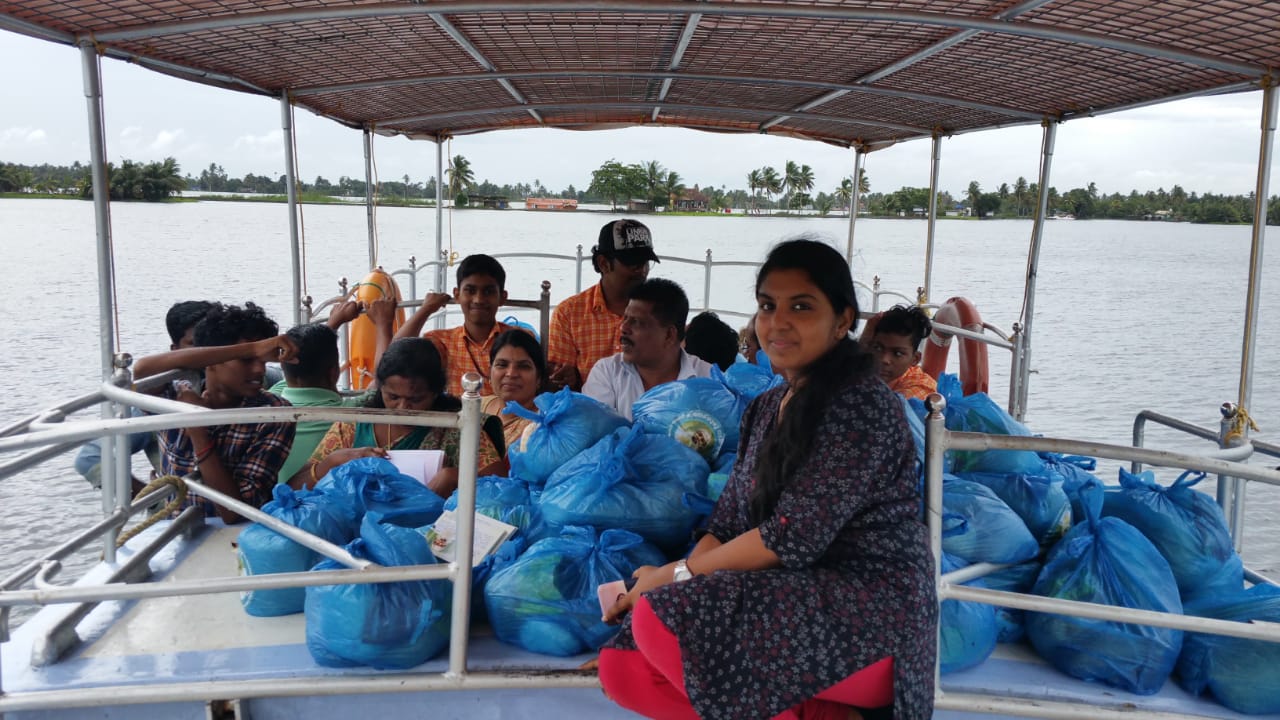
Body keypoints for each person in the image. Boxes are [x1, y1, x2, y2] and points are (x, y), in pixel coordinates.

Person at [598, 238, 937, 720]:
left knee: (662, 619)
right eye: (766, 305)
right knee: (623, 662)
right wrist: (667, 583)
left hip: (873, 614)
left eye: (801, 306)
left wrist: (669, 580)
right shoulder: (764, 408)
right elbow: (730, 522)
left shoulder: (862, 404)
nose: (778, 322)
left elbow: (791, 536)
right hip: (792, 598)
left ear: (843, 320)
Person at [143, 302, 298, 524]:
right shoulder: (175, 396)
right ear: (212, 362)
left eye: (262, 361)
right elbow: (141, 371)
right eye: (246, 361)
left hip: (233, 539)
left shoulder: (272, 415)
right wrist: (251, 348)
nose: (259, 370)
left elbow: (236, 511)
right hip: (177, 534)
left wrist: (199, 432)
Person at [291, 337, 504, 498]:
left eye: (416, 399)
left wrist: (457, 478)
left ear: (436, 392)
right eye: (392, 397)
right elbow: (294, 487)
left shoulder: (456, 429)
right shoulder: (354, 424)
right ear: (379, 387)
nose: (402, 408)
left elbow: (502, 487)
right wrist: (331, 462)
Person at [73, 300, 214, 491]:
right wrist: (150, 498)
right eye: (195, 345)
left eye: (214, 344)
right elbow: (90, 457)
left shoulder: (254, 381)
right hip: (185, 503)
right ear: (175, 350)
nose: (209, 353)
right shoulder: (165, 401)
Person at [547, 219, 658, 391]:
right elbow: (555, 385)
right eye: (632, 262)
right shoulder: (568, 314)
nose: (641, 270)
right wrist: (570, 379)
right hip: (586, 413)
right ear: (603, 264)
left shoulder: (660, 312)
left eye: (645, 262)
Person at [268, 302, 372, 484]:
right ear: (334, 372)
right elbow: (384, 380)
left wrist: (334, 322)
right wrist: (385, 323)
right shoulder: (350, 412)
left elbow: (302, 363)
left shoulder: (272, 398)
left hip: (270, 504)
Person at [582, 278, 712, 420]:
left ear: (669, 335)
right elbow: (594, 433)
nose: (623, 328)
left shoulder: (708, 380)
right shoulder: (607, 373)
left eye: (636, 322)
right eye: (625, 318)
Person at [394, 254, 516, 397]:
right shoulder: (442, 341)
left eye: (488, 292)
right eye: (470, 291)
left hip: (507, 418)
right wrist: (426, 309)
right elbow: (396, 355)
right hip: (458, 417)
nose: (478, 299)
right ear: (457, 295)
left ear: (502, 297)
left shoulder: (518, 339)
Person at [481, 329, 547, 468]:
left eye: (523, 366)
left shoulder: (542, 424)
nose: (511, 373)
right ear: (489, 373)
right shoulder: (477, 406)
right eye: (502, 365)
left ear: (539, 378)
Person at [868, 304, 936, 401]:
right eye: (878, 348)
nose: (884, 359)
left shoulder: (920, 388)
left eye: (898, 353)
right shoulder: (862, 369)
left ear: (915, 359)